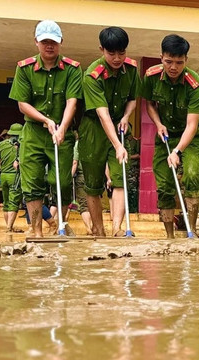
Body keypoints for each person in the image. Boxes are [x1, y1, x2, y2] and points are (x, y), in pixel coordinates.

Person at [9, 20, 82, 238]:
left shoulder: (72, 69)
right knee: (32, 182)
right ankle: (37, 230)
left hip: (63, 132)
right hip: (33, 132)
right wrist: (47, 120)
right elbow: (23, 104)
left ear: (61, 43)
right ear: (36, 42)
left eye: (53, 42)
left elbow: (72, 101)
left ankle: (61, 223)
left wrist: (62, 128)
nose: (49, 46)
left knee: (62, 181)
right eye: (44, 42)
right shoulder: (24, 68)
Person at [142, 34, 199, 239]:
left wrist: (178, 151)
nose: (173, 67)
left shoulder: (195, 83)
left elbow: (192, 125)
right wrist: (158, 123)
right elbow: (150, 104)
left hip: (190, 136)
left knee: (193, 173)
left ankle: (192, 231)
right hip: (165, 135)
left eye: (179, 62)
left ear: (186, 60)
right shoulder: (151, 76)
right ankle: (169, 236)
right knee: (164, 185)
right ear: (161, 57)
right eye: (169, 61)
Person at [79, 26, 139, 237]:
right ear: (101, 49)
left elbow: (132, 99)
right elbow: (102, 114)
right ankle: (99, 229)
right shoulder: (92, 75)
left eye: (121, 53)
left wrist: (126, 116)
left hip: (119, 124)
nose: (117, 58)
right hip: (94, 127)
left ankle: (117, 228)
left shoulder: (131, 69)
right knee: (93, 183)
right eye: (111, 53)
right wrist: (117, 145)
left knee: (120, 176)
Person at [0, 123, 23, 232]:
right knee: (13, 202)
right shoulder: (22, 144)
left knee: (6, 202)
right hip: (14, 177)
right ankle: (9, 227)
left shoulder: (2, 144)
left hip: (3, 176)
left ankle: (9, 226)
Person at [71, 136, 93, 235]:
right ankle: (94, 226)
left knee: (84, 205)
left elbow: (75, 162)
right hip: (94, 175)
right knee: (94, 201)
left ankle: (88, 228)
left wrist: (70, 177)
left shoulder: (78, 144)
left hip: (81, 176)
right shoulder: (95, 143)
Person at [125, 125, 140, 213]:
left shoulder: (135, 141)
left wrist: (128, 156)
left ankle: (133, 210)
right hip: (125, 167)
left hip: (133, 169)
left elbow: (139, 155)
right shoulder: (122, 140)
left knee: (133, 190)